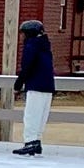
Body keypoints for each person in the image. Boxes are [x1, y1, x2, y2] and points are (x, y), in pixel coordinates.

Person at [14, 19, 56, 158]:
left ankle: (30, 141)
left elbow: (28, 66)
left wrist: (19, 82)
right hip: (48, 85)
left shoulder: (32, 45)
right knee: (41, 116)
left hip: (35, 85)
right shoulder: (45, 46)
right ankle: (37, 141)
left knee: (31, 115)